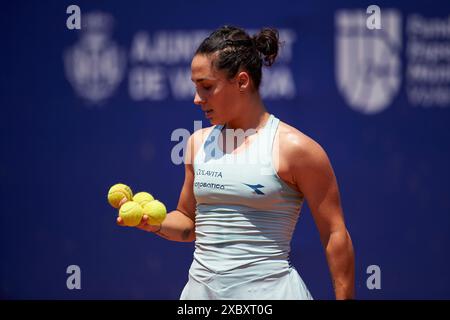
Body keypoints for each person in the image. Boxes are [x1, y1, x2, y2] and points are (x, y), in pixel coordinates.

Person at [117, 25, 355, 300]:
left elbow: (335, 234)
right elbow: (188, 223)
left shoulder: (297, 149)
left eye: (206, 87)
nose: (197, 99)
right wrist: (154, 224)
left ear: (242, 82)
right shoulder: (196, 143)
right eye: (195, 88)